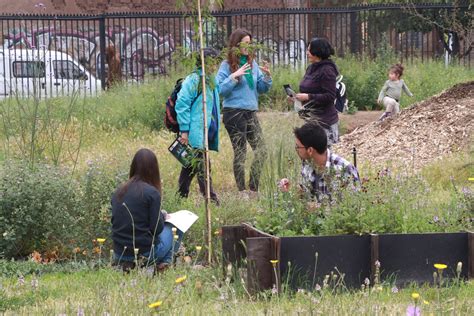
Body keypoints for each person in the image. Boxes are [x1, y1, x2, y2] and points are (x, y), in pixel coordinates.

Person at [216, 28, 272, 194]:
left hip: (250, 111)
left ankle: (253, 188)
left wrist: (267, 77)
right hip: (233, 112)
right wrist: (234, 77)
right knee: (241, 153)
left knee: (261, 151)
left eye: (250, 43)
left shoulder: (252, 64)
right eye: (246, 43)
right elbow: (219, 89)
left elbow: (261, 88)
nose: (249, 46)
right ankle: (242, 191)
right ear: (236, 45)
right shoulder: (226, 65)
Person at [111, 148, 182, 271]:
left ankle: (152, 266)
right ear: (154, 170)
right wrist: (162, 217)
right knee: (177, 228)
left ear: (133, 167)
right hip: (143, 254)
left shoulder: (119, 191)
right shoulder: (151, 193)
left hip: (119, 253)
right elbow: (157, 229)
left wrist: (159, 214)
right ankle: (164, 264)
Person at [175, 48, 221, 205]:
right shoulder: (195, 80)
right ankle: (212, 200)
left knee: (189, 165)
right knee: (203, 166)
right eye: (213, 61)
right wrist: (184, 131)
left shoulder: (210, 80)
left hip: (204, 132)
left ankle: (180, 198)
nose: (216, 65)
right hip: (195, 132)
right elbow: (182, 104)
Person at [293, 122, 360, 204]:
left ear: (310, 150)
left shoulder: (344, 169)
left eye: (298, 147)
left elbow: (355, 207)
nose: (296, 150)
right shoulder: (307, 164)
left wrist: (319, 209)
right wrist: (294, 191)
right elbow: (307, 198)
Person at [292, 38, 339, 146]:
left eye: (309, 50)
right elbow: (307, 90)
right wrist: (296, 98)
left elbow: (330, 96)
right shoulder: (310, 68)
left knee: (323, 158)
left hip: (325, 122)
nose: (307, 53)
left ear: (317, 52)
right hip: (310, 120)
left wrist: (308, 97)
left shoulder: (327, 70)